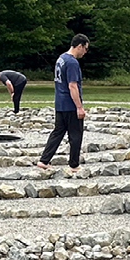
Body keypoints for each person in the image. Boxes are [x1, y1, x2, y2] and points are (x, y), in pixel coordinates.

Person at [37, 34, 90, 171]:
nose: (85, 52)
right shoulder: (72, 62)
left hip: (60, 103)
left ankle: (44, 160)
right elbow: (72, 85)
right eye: (85, 49)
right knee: (76, 134)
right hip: (70, 104)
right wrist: (79, 107)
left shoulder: (61, 58)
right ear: (80, 46)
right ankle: (74, 164)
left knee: (58, 132)